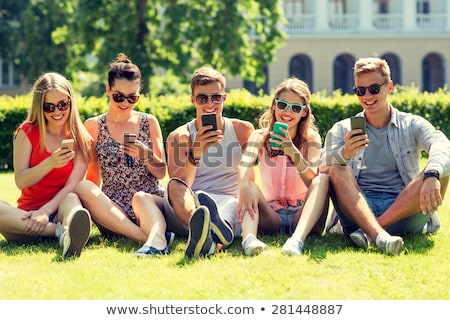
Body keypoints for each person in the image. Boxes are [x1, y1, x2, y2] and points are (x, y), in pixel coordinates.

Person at [322, 57, 450, 255]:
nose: (367, 96)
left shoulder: (411, 124)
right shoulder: (343, 128)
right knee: (337, 167)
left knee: (441, 169)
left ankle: (371, 233)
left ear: (389, 87)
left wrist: (432, 174)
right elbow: (322, 169)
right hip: (359, 211)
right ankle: (379, 235)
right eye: (360, 90)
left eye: (374, 89)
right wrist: (344, 153)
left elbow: (441, 143)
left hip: (403, 212)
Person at [75, 53, 171, 256]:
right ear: (108, 90)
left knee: (140, 197)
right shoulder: (93, 126)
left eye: (132, 97)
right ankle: (151, 238)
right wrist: (94, 210)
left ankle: (154, 236)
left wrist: (146, 155)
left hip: (147, 203)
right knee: (83, 187)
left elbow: (162, 173)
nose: (125, 103)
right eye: (119, 96)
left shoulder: (149, 122)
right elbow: (93, 177)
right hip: (113, 210)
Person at [164, 66, 254, 259]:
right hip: (191, 205)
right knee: (173, 186)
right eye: (202, 98)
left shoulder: (243, 130)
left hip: (228, 202)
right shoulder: (179, 136)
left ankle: (208, 241)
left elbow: (249, 178)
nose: (210, 103)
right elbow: (179, 185)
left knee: (231, 207)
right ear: (193, 100)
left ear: (224, 98)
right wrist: (195, 152)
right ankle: (200, 227)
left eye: (216, 97)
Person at [0, 72, 92, 258]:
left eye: (62, 105)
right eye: (49, 107)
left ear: (70, 102)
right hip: (26, 216)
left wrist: (46, 211)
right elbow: (21, 181)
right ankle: (59, 233)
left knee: (73, 200)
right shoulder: (27, 132)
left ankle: (68, 230)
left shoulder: (81, 138)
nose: (57, 112)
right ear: (39, 107)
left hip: (60, 209)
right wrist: (49, 163)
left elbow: (72, 185)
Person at [238, 77, 329, 256]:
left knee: (323, 179)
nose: (288, 112)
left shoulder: (311, 139)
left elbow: (313, 181)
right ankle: (249, 240)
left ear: (304, 112)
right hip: (271, 215)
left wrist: (292, 151)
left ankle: (296, 241)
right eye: (282, 105)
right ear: (274, 105)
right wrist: (244, 186)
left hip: (302, 214)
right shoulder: (260, 136)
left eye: (296, 108)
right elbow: (244, 164)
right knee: (249, 184)